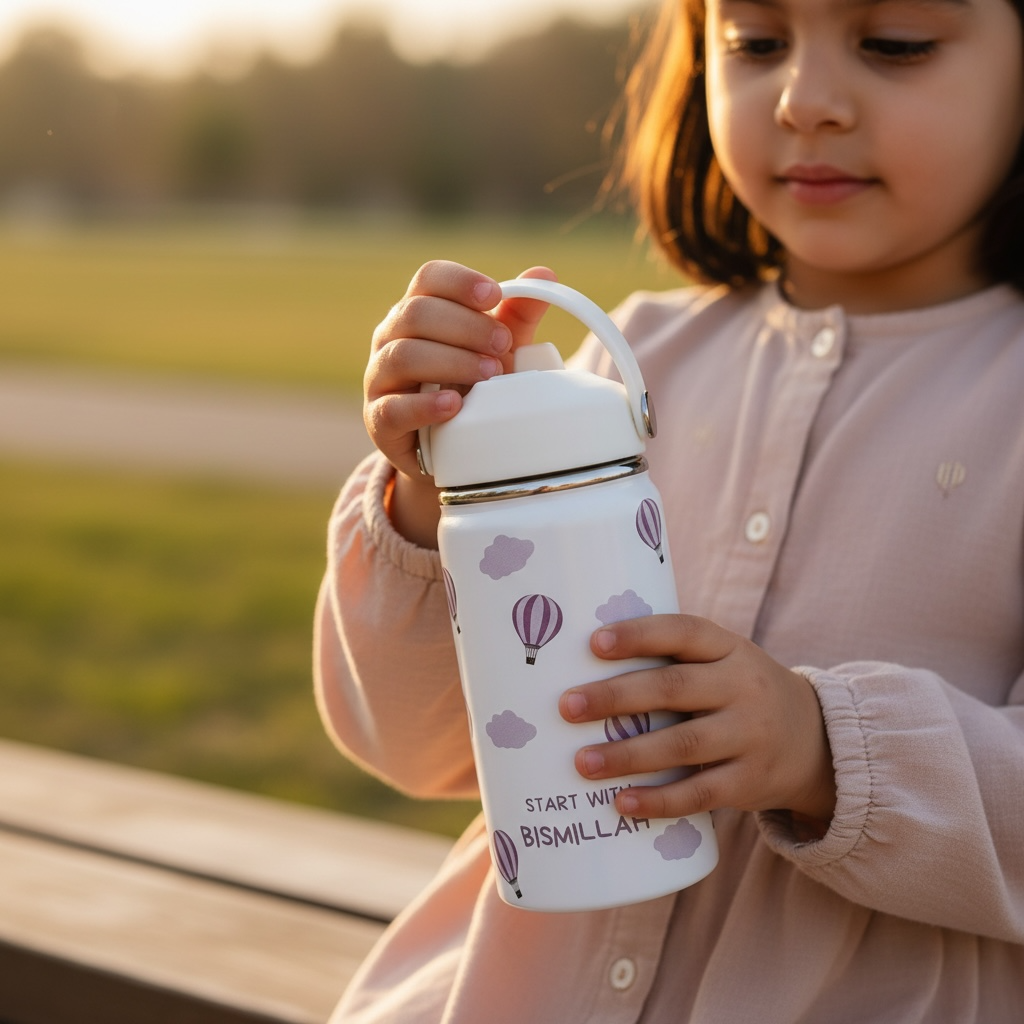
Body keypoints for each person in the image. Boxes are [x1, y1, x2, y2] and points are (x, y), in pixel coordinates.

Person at [314, 0, 1024, 1017]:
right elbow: (415, 747)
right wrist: (435, 486)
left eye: (895, 41)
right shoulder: (623, 363)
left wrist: (821, 748)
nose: (803, 101)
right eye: (754, 44)